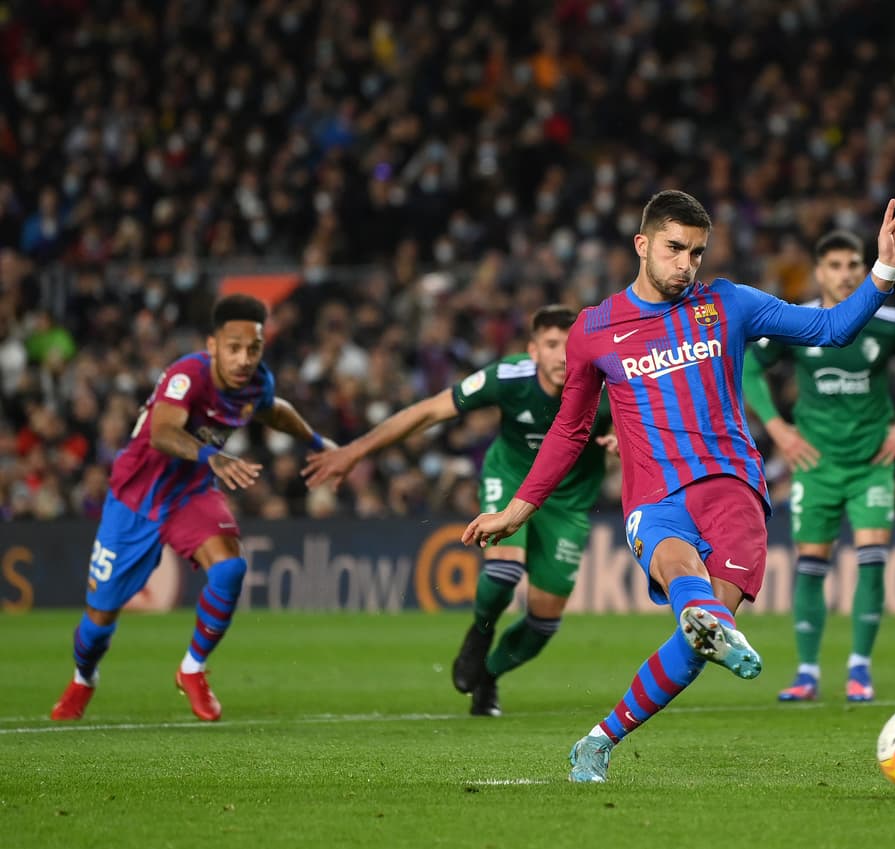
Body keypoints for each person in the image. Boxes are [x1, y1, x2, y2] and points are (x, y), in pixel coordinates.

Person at [463, 190, 895, 782]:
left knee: (700, 638)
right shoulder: (594, 330)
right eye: (674, 249)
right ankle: (708, 621)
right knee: (682, 573)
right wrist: (518, 510)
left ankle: (599, 740)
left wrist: (885, 266)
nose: (686, 264)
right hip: (655, 498)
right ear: (643, 245)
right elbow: (570, 427)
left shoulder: (729, 304)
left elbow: (831, 328)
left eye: (697, 252)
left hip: (735, 491)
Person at [302, 305, 614, 717]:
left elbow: (649, 429)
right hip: (511, 479)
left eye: (569, 345)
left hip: (568, 501)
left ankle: (488, 675)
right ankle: (480, 633)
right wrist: (355, 451)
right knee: (503, 572)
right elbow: (429, 410)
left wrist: (622, 440)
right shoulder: (508, 376)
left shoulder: (609, 387)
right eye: (551, 345)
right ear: (532, 350)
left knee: (542, 624)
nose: (561, 356)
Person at [50, 295, 336, 722]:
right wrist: (212, 456)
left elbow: (274, 412)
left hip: (190, 493)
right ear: (213, 345)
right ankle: (83, 678)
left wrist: (318, 443)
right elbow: (164, 432)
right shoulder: (188, 375)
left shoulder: (258, 384)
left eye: (253, 349)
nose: (243, 359)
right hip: (135, 497)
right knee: (99, 616)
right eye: (234, 347)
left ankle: (192, 668)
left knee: (230, 568)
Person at [741, 230, 895, 704]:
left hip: (871, 463)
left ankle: (859, 669)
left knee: (872, 561)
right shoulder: (799, 323)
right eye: (834, 266)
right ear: (819, 273)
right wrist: (777, 428)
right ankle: (807, 672)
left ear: (865, 269)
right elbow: (749, 369)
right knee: (811, 565)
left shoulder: (889, 322)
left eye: (853, 265)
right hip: (815, 463)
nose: (844, 274)